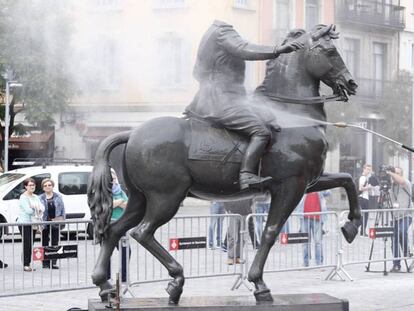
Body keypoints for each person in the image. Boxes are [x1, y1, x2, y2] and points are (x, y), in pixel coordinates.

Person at [184, 20, 304, 190]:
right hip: (221, 100)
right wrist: (279, 49)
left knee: (269, 117)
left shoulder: (212, 34)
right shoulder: (222, 32)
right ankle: (246, 175)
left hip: (228, 97)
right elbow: (244, 49)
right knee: (261, 132)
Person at [107, 169, 131, 283]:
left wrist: (118, 202)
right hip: (109, 224)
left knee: (126, 251)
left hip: (122, 224)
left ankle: (124, 277)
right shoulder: (105, 191)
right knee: (107, 251)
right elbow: (108, 205)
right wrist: (120, 202)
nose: (113, 179)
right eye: (110, 177)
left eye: (114, 176)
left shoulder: (120, 190)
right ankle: (106, 277)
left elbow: (128, 205)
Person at [17, 178, 45, 272]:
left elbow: (42, 207)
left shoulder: (36, 196)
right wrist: (37, 208)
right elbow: (28, 211)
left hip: (34, 223)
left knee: (31, 243)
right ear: (25, 187)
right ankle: (26, 264)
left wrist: (36, 207)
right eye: (30, 185)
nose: (32, 187)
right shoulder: (23, 197)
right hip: (24, 223)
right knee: (27, 243)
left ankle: (26, 261)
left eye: (33, 185)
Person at [388, 167, 412, 272]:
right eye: (394, 173)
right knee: (394, 239)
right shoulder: (391, 187)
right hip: (395, 217)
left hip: (407, 215)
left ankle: (406, 251)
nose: (395, 175)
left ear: (401, 175)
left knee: (402, 231)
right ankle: (396, 264)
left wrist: (390, 172)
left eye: (397, 173)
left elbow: (400, 180)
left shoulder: (406, 183)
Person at [297, 191, 330, 267]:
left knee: (318, 242)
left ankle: (319, 262)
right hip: (304, 217)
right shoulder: (304, 186)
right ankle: (305, 262)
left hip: (317, 218)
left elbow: (329, 192)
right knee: (305, 242)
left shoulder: (319, 186)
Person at [39, 178, 65, 269]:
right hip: (45, 223)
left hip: (55, 222)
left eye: (49, 185)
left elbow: (62, 209)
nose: (47, 187)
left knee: (55, 242)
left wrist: (62, 221)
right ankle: (45, 262)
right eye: (45, 185)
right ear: (43, 188)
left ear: (52, 186)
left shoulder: (58, 196)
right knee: (44, 242)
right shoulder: (40, 198)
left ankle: (53, 262)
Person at [222, 199, 253, 265]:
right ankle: (230, 257)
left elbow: (250, 199)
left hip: (245, 213)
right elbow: (225, 198)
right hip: (234, 213)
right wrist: (228, 209)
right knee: (233, 236)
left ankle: (238, 256)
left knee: (242, 237)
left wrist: (248, 208)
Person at [358, 164, 373, 236]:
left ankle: (362, 231)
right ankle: (360, 230)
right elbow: (360, 188)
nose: (368, 171)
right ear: (363, 169)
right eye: (367, 169)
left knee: (364, 215)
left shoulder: (365, 178)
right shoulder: (363, 178)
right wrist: (369, 187)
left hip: (364, 198)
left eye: (369, 169)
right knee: (365, 215)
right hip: (362, 198)